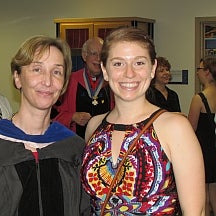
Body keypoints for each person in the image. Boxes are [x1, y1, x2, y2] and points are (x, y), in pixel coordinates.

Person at [0, 36, 90, 216]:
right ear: (17, 78)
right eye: (37, 69)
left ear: (64, 84)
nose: (48, 81)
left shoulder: (74, 149)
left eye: (57, 72)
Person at [81, 27, 205, 215]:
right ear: (105, 70)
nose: (129, 73)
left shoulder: (174, 128)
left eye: (139, 63)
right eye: (118, 64)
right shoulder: (94, 127)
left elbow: (196, 212)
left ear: (152, 68)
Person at [52, 37, 114, 138]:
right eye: (94, 54)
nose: (98, 59)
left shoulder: (112, 82)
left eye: (102, 54)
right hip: (74, 143)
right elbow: (52, 115)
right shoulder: (68, 81)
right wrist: (72, 116)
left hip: (105, 142)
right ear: (84, 56)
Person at [188, 57, 216, 216]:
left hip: (204, 151)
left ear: (207, 72)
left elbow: (191, 128)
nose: (197, 73)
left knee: (203, 196)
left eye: (199, 69)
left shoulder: (199, 98)